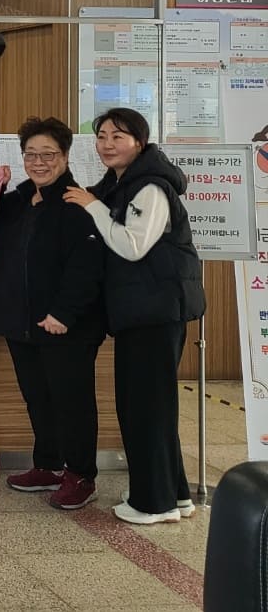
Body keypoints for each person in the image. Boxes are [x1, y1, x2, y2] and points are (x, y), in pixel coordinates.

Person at [64, 107, 205, 525]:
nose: (107, 144)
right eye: (102, 136)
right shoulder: (122, 182)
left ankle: (152, 503)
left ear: (139, 143)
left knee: (145, 408)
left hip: (154, 314)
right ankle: (172, 494)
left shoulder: (150, 188)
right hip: (142, 312)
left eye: (118, 137)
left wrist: (93, 207)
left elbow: (131, 245)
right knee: (151, 406)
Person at [0, 117, 104, 511]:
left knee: (72, 401)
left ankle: (81, 475)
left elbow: (87, 267)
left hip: (65, 326)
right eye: (31, 155)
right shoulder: (18, 202)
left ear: (65, 156)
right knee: (38, 397)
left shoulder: (77, 204)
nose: (39, 162)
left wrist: (64, 313)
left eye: (48, 154)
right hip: (22, 323)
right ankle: (49, 465)